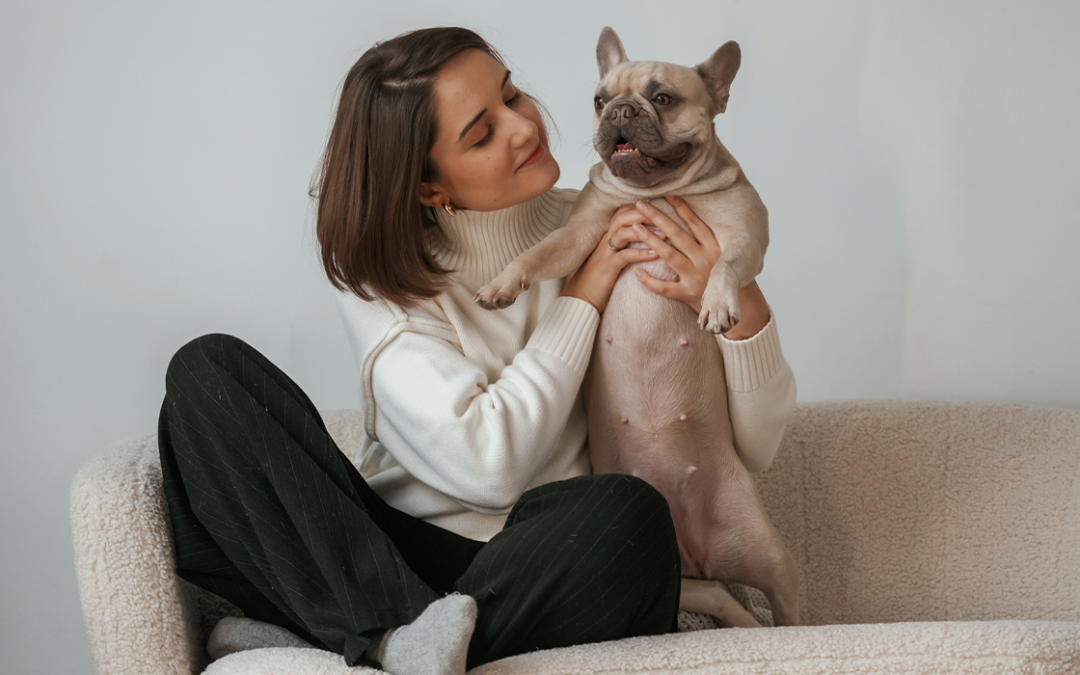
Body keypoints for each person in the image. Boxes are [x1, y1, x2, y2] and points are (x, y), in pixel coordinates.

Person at [158, 26, 796, 675]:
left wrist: (748, 304)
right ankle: (394, 629)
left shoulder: (619, 215)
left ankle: (347, 634)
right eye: (482, 133)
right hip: (388, 548)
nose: (523, 127)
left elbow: (759, 446)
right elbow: (491, 468)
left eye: (512, 94)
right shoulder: (383, 278)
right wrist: (583, 293)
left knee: (629, 516)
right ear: (430, 187)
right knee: (206, 373)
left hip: (544, 553)